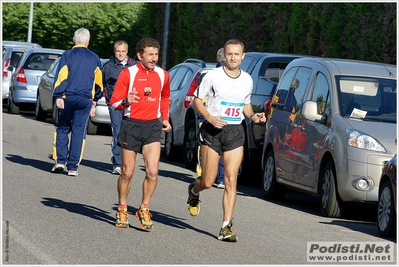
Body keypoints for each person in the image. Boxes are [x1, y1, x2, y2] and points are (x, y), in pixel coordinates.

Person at [188, 39, 266, 242]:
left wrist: (253, 116)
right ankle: (194, 190)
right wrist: (209, 117)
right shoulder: (212, 76)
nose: (233, 58)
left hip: (235, 131)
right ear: (224, 55)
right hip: (212, 130)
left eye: (236, 54)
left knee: (231, 179)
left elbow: (245, 105)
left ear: (243, 56)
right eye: (229, 54)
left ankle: (226, 226)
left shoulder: (247, 79)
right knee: (208, 180)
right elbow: (196, 100)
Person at [109, 37, 171, 230]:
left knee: (152, 171)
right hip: (131, 125)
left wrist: (165, 118)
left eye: (156, 54)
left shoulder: (163, 75)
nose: (154, 58)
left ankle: (144, 208)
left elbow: (165, 96)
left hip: (152, 126)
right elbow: (113, 102)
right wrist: (126, 102)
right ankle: (122, 207)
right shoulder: (129, 73)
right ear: (139, 55)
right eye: (150, 54)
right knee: (127, 172)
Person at [51, 28, 103, 177]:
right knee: (79, 131)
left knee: (62, 127)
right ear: (88, 41)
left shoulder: (67, 55)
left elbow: (61, 76)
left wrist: (59, 96)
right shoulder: (94, 57)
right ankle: (73, 167)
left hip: (68, 97)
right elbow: (99, 82)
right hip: (85, 99)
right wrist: (95, 100)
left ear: (74, 40)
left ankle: (60, 161)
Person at [102, 40, 137, 175]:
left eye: (123, 51)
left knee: (129, 133)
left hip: (131, 105)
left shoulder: (134, 66)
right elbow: (102, 84)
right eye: (118, 51)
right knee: (117, 131)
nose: (121, 54)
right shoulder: (108, 66)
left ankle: (127, 162)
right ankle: (117, 163)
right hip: (115, 106)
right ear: (114, 51)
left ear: (127, 52)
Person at [197, 47, 226, 189]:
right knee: (222, 151)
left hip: (210, 119)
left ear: (216, 60)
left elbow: (199, 99)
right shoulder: (233, 77)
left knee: (208, 150)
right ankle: (220, 179)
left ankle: (206, 175)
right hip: (227, 120)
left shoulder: (207, 75)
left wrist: (200, 119)